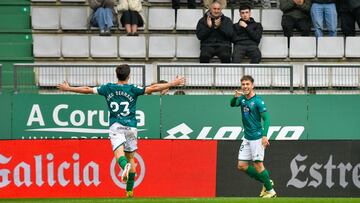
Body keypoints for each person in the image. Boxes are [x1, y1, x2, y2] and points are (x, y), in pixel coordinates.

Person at [57, 64, 185, 198]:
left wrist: (68, 88)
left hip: (116, 127)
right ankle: (129, 192)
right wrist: (173, 83)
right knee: (131, 158)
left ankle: (124, 168)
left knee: (119, 156)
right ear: (129, 75)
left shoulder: (108, 88)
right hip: (131, 128)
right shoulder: (133, 89)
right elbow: (153, 88)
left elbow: (87, 89)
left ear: (116, 74)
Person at [230, 75, 276, 198]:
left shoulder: (258, 101)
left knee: (258, 164)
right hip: (247, 137)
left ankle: (271, 192)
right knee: (241, 165)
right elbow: (232, 104)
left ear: (252, 85)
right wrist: (234, 97)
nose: (245, 86)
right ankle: (266, 182)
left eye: (247, 84)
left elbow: (267, 119)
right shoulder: (242, 99)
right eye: (243, 84)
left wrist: (265, 136)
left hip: (257, 138)